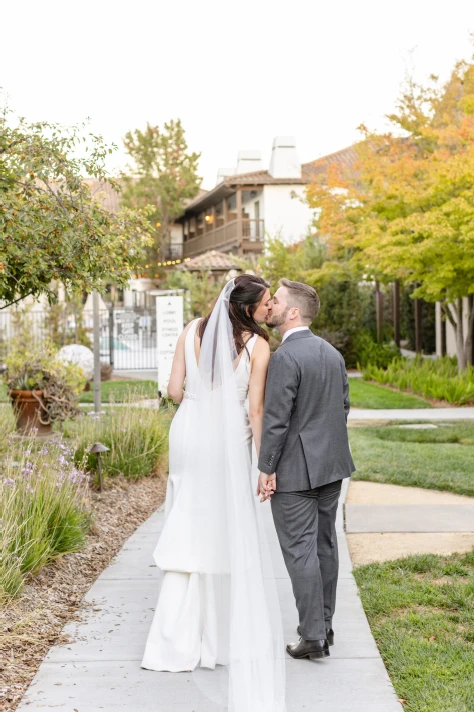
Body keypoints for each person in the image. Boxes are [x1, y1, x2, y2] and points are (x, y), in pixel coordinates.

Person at [142, 275, 286, 712]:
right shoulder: (259, 346)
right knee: (225, 529)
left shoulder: (190, 329)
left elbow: (172, 391)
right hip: (225, 441)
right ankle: (219, 640)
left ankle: (175, 642)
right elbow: (255, 410)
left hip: (187, 433)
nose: (269, 310)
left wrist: (201, 403)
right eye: (264, 304)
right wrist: (267, 466)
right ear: (246, 309)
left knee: (187, 523)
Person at [258, 278, 355, 661]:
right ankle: (325, 625)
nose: (271, 306)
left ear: (293, 311)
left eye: (276, 301)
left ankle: (312, 635)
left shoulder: (285, 357)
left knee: (300, 551)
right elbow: (343, 407)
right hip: (332, 468)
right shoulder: (332, 354)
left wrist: (267, 468)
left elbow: (276, 421)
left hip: (296, 474)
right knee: (324, 546)